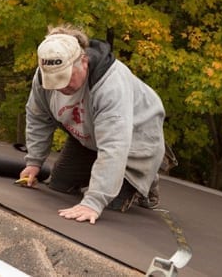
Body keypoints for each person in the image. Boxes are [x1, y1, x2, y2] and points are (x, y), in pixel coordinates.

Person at [19, 24, 166, 224]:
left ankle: (143, 181)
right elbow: (38, 117)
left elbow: (114, 145)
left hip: (134, 141)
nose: (61, 86)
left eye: (66, 77)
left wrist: (94, 202)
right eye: (55, 80)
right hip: (88, 135)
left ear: (84, 61)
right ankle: (107, 178)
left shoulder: (110, 85)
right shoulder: (45, 73)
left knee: (109, 204)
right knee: (59, 185)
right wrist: (34, 162)